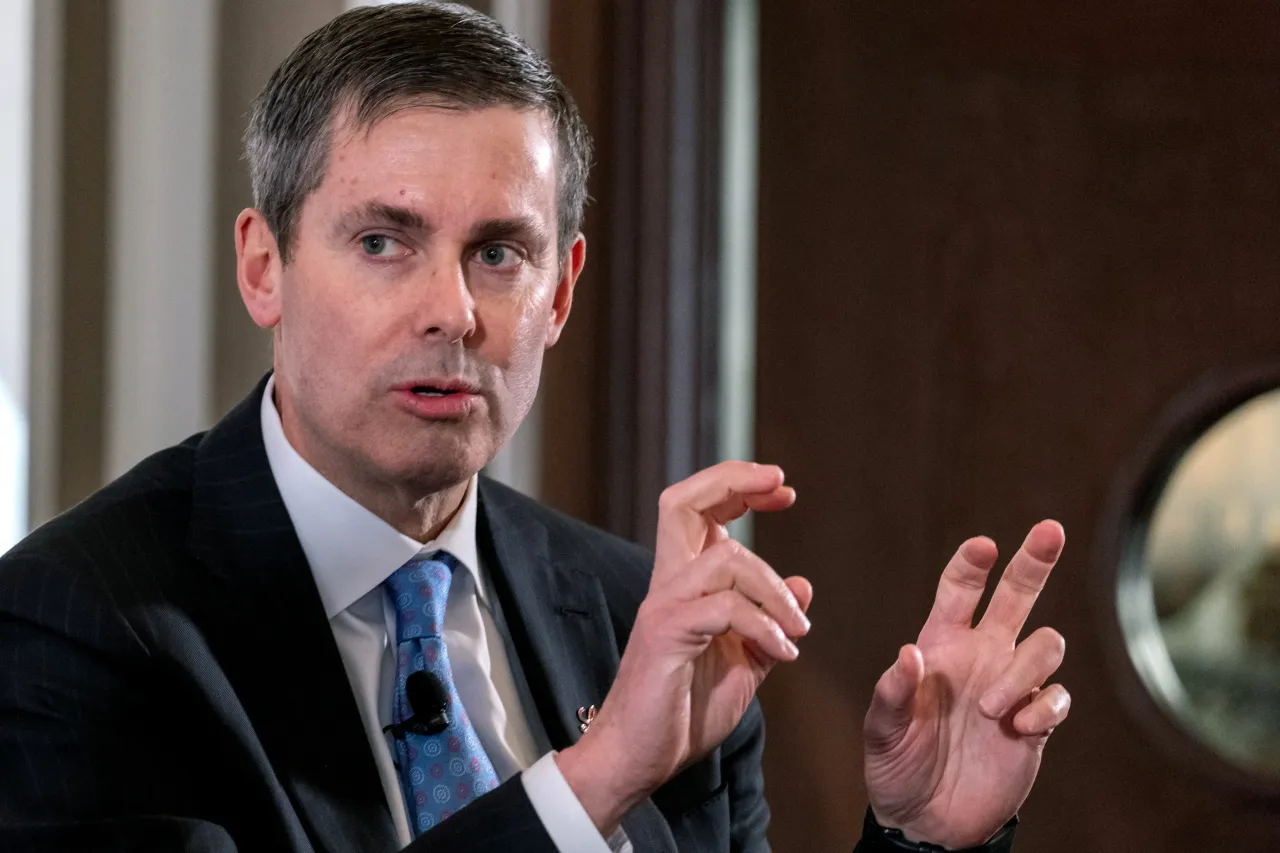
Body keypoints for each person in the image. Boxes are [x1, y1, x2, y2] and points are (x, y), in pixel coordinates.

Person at [0, 3, 1071, 851]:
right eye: (382, 242)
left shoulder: (637, 617)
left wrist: (923, 838)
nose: (452, 311)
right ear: (262, 267)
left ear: (559, 293)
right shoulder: (73, 622)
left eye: (498, 254)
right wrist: (595, 779)